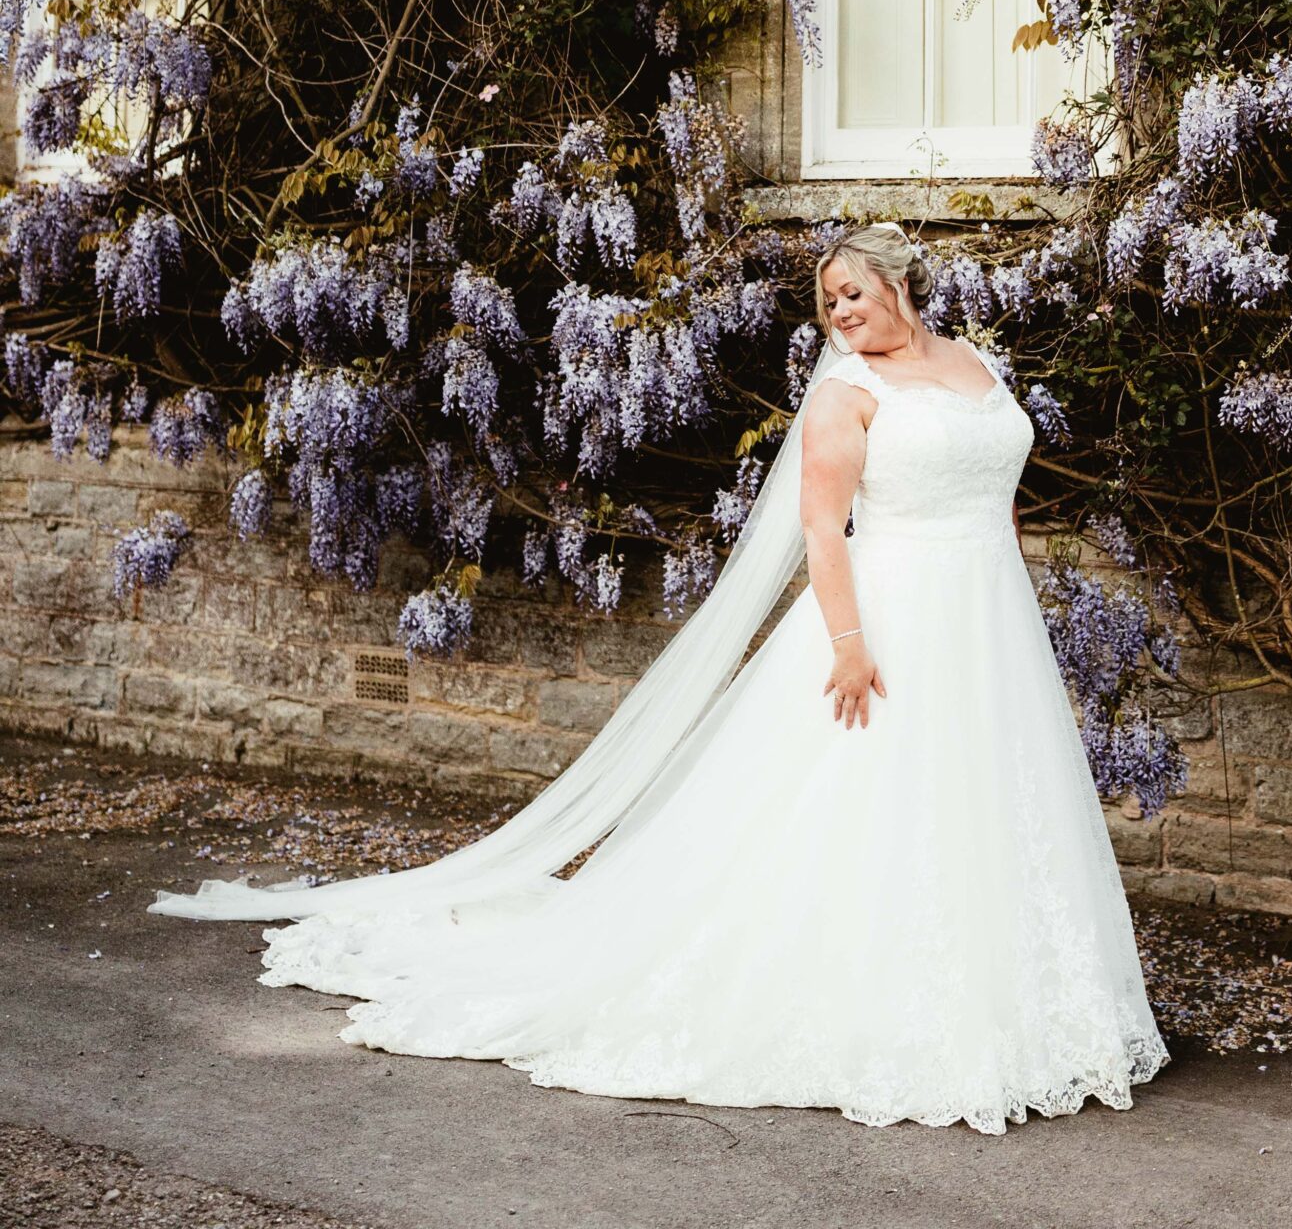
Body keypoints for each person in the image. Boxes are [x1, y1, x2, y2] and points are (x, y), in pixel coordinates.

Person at [152, 222, 1168, 1133]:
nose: (842, 312)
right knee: (883, 805)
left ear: (899, 283)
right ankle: (894, 1006)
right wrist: (848, 641)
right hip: (890, 613)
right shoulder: (842, 397)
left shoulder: (968, 362)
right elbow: (822, 529)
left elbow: (994, 487)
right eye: (828, 303)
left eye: (853, 292)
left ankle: (1021, 1002)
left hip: (986, 610)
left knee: (994, 803)